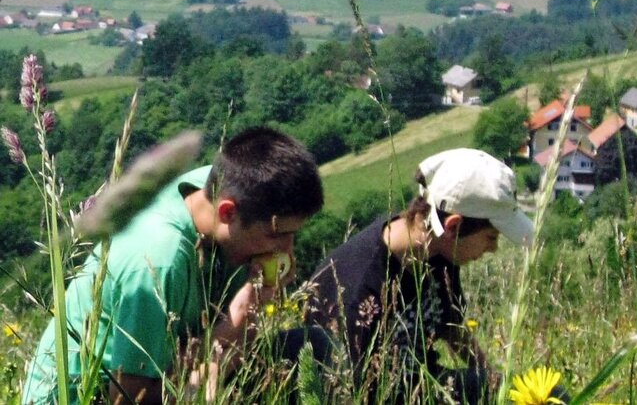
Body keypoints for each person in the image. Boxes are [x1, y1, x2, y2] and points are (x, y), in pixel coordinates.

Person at [22, 127, 324, 404]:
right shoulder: (160, 258)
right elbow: (132, 398)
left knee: (311, 348)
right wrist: (240, 321)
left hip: (168, 371)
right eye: (277, 235)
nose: (286, 249)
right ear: (228, 212)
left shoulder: (220, 187)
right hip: (92, 396)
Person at [303, 148, 534, 403]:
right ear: (453, 226)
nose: (493, 249)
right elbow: (347, 392)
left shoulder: (439, 252)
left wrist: (495, 385)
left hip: (427, 384)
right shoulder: (357, 289)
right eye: (491, 237)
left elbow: (451, 326)